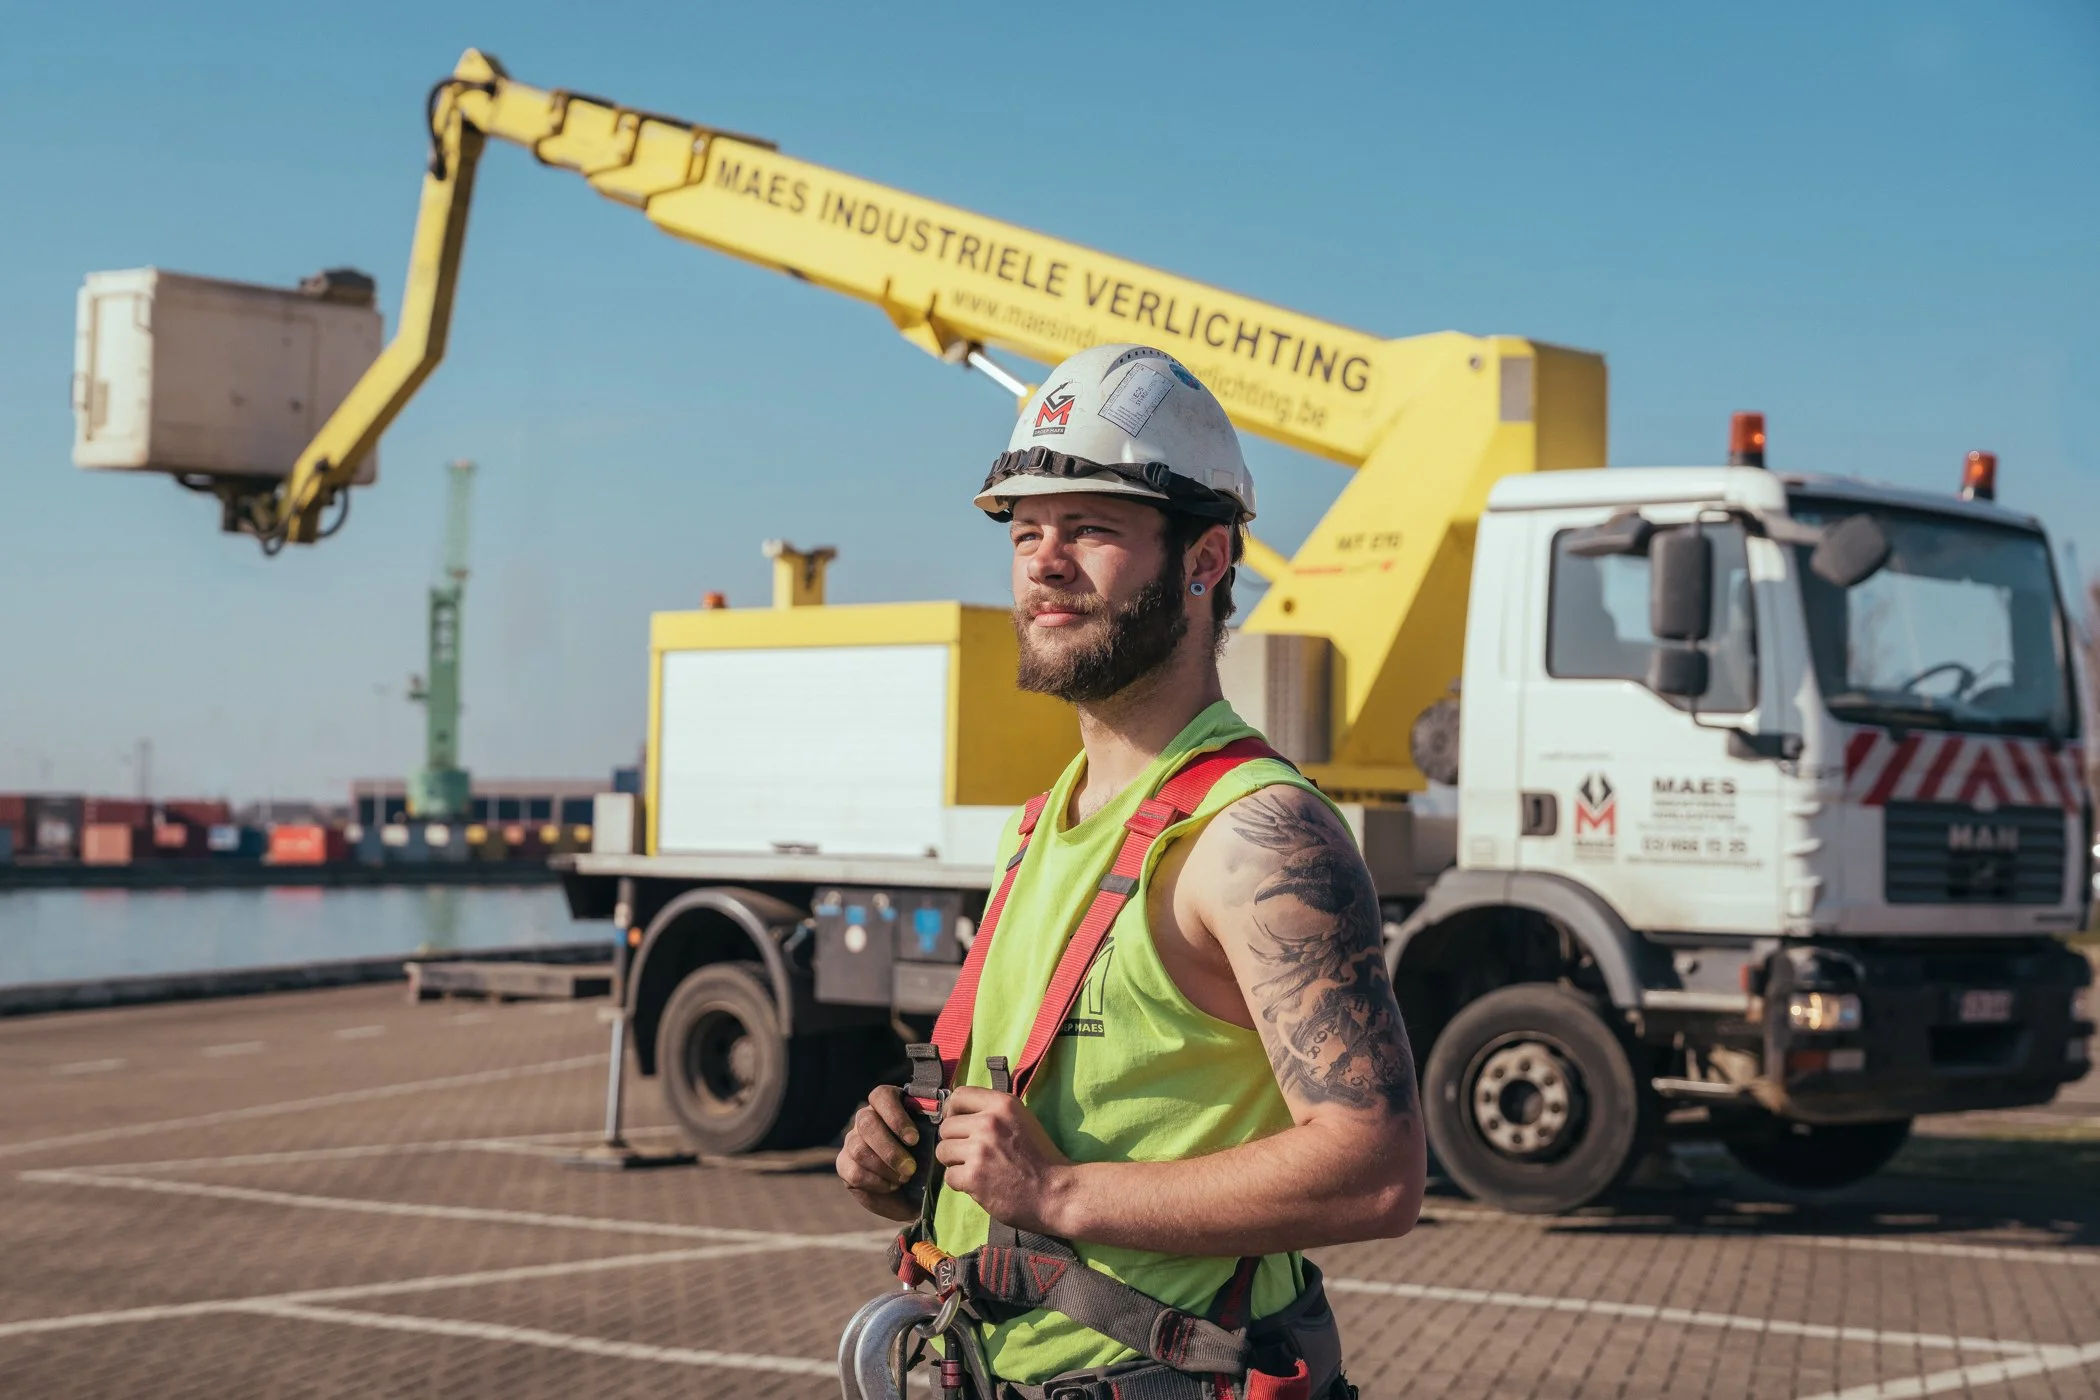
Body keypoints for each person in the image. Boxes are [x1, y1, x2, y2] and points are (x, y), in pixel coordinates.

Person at [835, 343, 1425, 1399]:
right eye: (1026, 532)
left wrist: (1060, 1192)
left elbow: (1376, 1169)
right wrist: (918, 1167)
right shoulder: (1043, 824)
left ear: (1205, 558)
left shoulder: (1255, 835)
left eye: (1091, 528)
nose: (1045, 562)